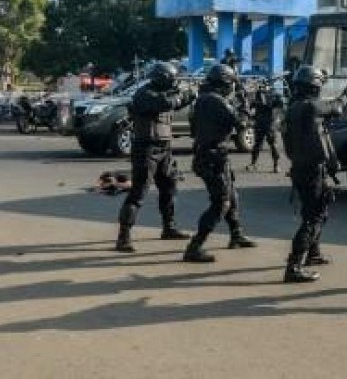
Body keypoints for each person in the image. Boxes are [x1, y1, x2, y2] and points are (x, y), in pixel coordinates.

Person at [281, 65, 347, 283]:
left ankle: (313, 253)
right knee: (313, 217)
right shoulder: (310, 107)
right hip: (310, 170)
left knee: (317, 211)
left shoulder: (295, 107)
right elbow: (335, 107)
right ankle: (294, 266)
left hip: (303, 168)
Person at [115, 62, 195, 253]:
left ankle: (169, 227)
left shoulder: (162, 92)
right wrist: (182, 94)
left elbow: (177, 104)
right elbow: (165, 103)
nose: (174, 83)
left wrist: (190, 95)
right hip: (146, 148)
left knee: (169, 188)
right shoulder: (144, 94)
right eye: (171, 80)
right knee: (138, 193)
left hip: (164, 147)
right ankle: (123, 237)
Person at [183, 64, 257, 263]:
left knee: (232, 195)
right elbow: (241, 123)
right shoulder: (216, 101)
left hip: (212, 154)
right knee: (221, 202)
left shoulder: (204, 99)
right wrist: (245, 101)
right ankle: (194, 246)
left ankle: (236, 234)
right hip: (212, 157)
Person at [246, 79, 284, 173]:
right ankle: (253, 164)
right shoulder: (257, 95)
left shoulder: (272, 95)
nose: (262, 88)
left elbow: (278, 107)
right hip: (260, 123)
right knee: (257, 145)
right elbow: (250, 107)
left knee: (273, 145)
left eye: (263, 86)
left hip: (269, 124)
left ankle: (276, 165)